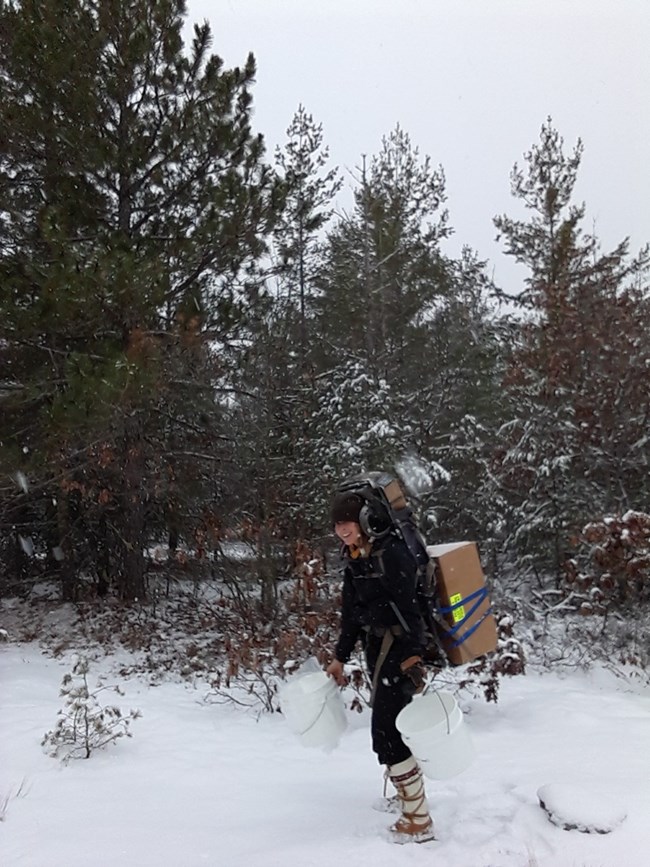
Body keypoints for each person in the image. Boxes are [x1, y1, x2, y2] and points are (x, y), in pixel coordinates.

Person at [325, 487, 435, 843]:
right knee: (392, 729)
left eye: (348, 523)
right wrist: (340, 657)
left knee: (385, 735)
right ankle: (408, 796)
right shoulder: (357, 557)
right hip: (378, 650)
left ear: (365, 521)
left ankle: (418, 819)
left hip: (400, 652)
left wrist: (414, 656)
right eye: (337, 524)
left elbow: (411, 607)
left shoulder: (393, 554)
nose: (342, 530)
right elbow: (351, 614)